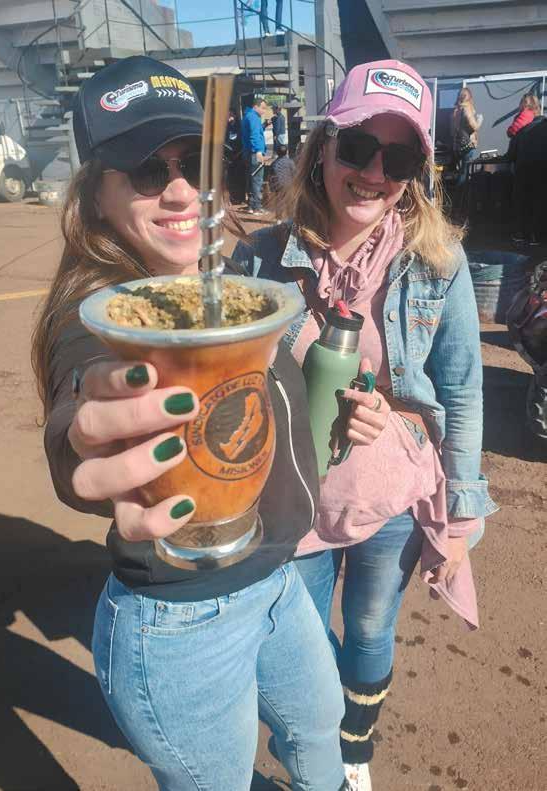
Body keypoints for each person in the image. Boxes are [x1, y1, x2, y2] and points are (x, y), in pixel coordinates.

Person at [31, 55, 350, 791]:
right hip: (183, 616)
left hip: (277, 576)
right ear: (96, 193)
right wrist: (82, 443)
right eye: (148, 170)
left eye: (192, 163)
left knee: (319, 729)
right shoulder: (105, 317)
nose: (180, 188)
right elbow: (84, 401)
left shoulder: (226, 279)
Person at [233, 59, 497, 791]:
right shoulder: (260, 260)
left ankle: (354, 750)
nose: (374, 173)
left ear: (414, 174)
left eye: (399, 159)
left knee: (372, 629)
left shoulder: (437, 262)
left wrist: (459, 516)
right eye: (357, 147)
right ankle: (314, 749)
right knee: (299, 644)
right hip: (294, 500)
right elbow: (228, 386)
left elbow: (461, 388)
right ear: (322, 148)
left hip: (390, 496)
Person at [508, 111, 547, 245]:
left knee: (521, 202)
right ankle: (535, 236)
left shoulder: (523, 130)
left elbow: (511, 155)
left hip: (522, 170)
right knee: (539, 202)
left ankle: (519, 234)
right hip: (542, 170)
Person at [451, 87, 483, 187]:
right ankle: (460, 194)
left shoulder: (456, 110)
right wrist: (480, 119)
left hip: (458, 146)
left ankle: (458, 191)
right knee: (465, 172)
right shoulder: (467, 108)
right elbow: (474, 126)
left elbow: (453, 130)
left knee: (461, 171)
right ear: (469, 97)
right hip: (468, 145)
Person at [241, 96, 268, 215]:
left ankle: (251, 206)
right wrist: (258, 151)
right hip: (254, 153)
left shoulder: (248, 116)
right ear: (256, 107)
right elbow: (254, 135)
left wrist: (264, 126)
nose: (264, 111)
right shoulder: (254, 117)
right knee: (257, 180)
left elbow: (254, 132)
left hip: (248, 152)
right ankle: (257, 207)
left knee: (251, 180)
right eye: (263, 108)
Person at [270, 144, 295, 221]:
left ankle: (279, 219)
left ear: (277, 153)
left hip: (278, 185)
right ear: (286, 152)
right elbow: (294, 173)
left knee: (279, 202)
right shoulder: (290, 162)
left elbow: (271, 176)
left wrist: (272, 187)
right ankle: (290, 219)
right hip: (288, 184)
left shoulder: (274, 163)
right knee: (289, 202)